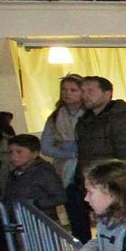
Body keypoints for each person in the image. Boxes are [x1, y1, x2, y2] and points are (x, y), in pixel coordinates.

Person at [74, 75, 126, 198]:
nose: (85, 95)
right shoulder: (85, 121)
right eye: (83, 91)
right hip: (91, 180)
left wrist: (120, 186)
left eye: (91, 91)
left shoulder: (120, 120)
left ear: (107, 94)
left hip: (112, 184)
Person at [41, 74, 90, 240]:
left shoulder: (90, 114)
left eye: (73, 90)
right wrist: (69, 152)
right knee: (76, 212)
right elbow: (46, 146)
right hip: (66, 170)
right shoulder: (55, 117)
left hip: (90, 167)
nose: (67, 93)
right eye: (64, 89)